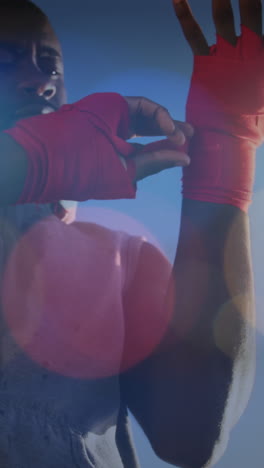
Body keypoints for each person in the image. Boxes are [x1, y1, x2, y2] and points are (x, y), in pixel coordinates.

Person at [0, 0, 261, 466]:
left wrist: (226, 149)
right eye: (4, 60)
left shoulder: (116, 259)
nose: (38, 81)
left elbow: (192, 434)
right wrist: (18, 166)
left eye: (51, 66)